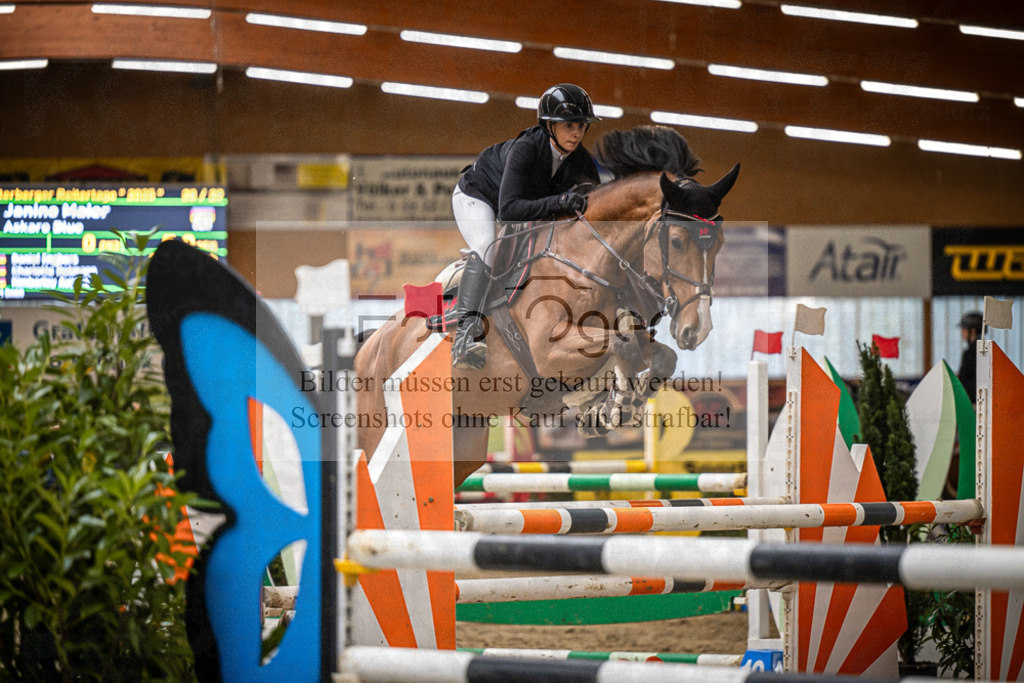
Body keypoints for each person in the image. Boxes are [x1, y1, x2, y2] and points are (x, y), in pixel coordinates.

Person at [450, 83, 602, 370]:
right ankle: (465, 335)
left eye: (582, 126)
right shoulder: (526, 149)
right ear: (549, 126)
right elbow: (509, 211)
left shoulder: (581, 159)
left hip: (520, 205)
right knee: (486, 248)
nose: (577, 133)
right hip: (479, 196)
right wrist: (559, 201)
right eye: (569, 125)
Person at [957, 310, 982, 400]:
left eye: (964, 328)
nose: (962, 332)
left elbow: (964, 379)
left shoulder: (970, 352)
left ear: (973, 331)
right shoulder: (987, 349)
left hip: (972, 399)